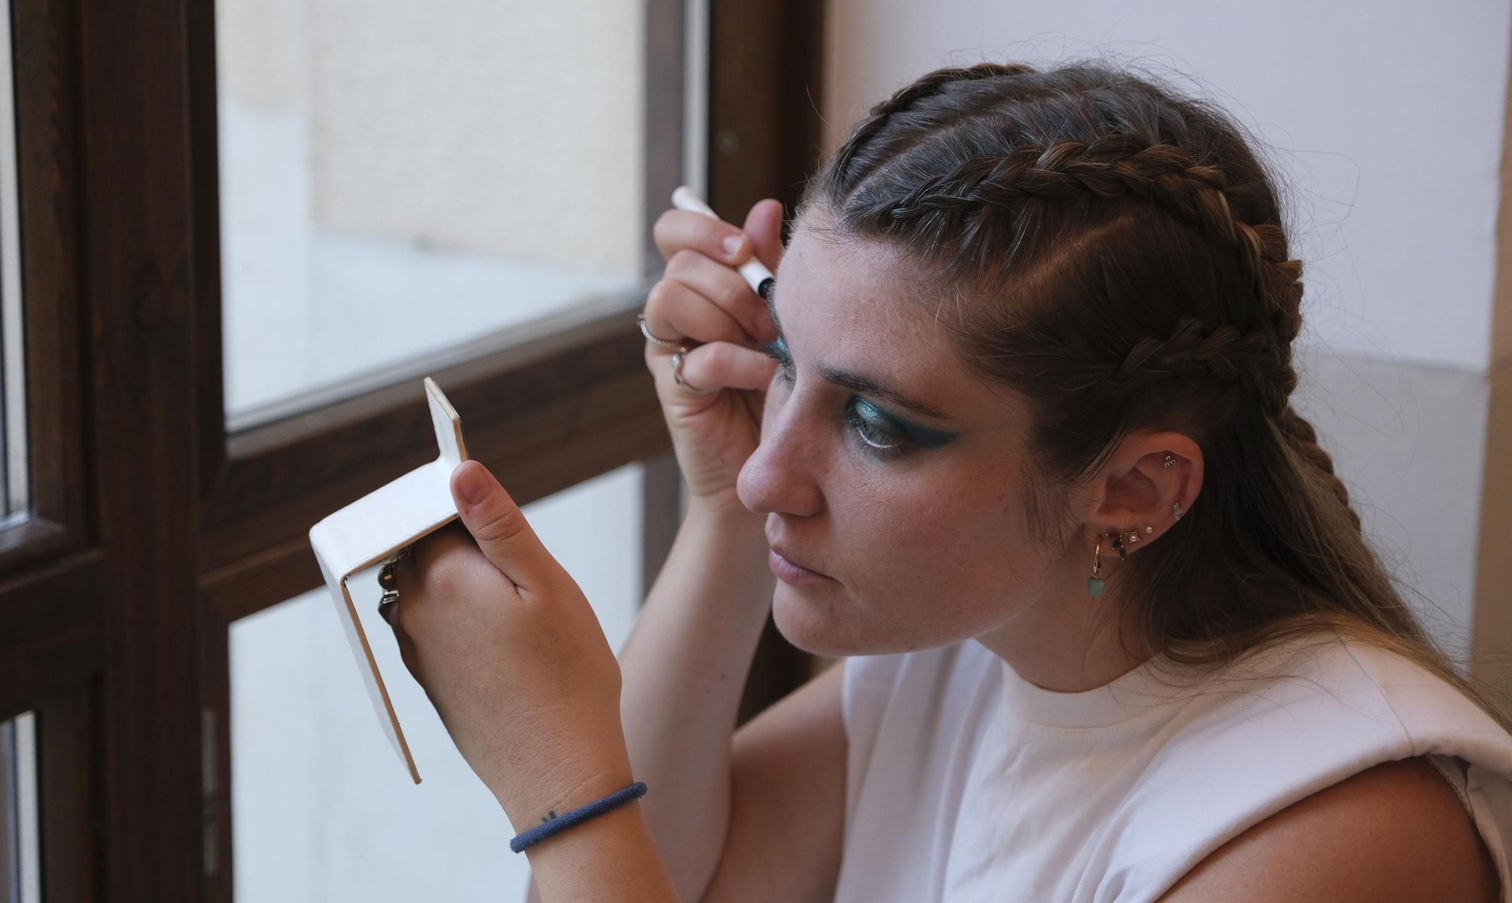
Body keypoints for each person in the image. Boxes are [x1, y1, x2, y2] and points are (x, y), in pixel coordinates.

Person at [389, 58, 1512, 902]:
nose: (777, 472)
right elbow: (679, 876)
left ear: (1134, 492)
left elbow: (611, 860)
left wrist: (561, 777)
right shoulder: (969, 651)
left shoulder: (1338, 834)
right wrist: (723, 513)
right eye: (786, 364)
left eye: (878, 424)